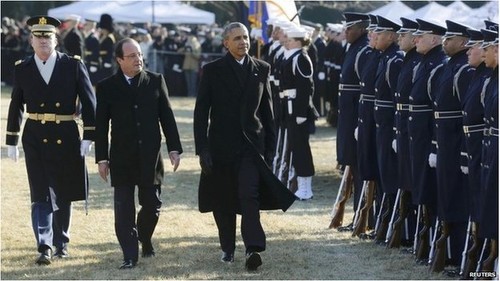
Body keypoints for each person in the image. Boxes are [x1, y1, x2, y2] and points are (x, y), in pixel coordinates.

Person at [193, 22, 296, 271]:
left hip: (252, 147)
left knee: (249, 195)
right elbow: (201, 113)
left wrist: (270, 151)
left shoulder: (261, 69)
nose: (243, 42)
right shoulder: (212, 70)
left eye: (246, 37)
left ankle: (253, 248)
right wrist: (203, 150)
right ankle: (227, 248)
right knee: (224, 200)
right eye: (237, 38)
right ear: (226, 43)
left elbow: (267, 113)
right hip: (221, 147)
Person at [5, 15, 96, 265]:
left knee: (64, 191)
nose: (43, 41)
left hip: (66, 134)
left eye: (48, 36)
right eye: (39, 37)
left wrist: (89, 135)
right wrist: (11, 139)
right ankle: (44, 246)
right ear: (31, 40)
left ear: (56, 40)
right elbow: (16, 105)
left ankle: (61, 243)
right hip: (35, 136)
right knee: (40, 192)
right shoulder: (23, 67)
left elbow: (90, 102)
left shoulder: (73, 65)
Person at [94, 38, 183, 269]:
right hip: (122, 157)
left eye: (140, 54)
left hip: (150, 157)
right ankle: (129, 255)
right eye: (132, 56)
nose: (138, 59)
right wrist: (102, 159)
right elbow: (101, 127)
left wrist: (174, 148)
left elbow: (168, 117)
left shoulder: (155, 81)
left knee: (152, 206)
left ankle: (144, 237)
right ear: (119, 60)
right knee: (124, 208)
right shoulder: (106, 87)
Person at [408, 19, 447, 263]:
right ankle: (422, 239)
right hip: (417, 136)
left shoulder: (437, 66)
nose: (415, 39)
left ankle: (431, 241)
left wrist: (433, 145)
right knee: (419, 189)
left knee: (429, 190)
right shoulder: (424, 63)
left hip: (427, 138)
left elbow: (437, 112)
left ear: (434, 39)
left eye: (420, 36)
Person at [279, 26, 316, 200]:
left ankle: (306, 188)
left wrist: (302, 112)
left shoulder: (301, 58)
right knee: (296, 146)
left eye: (291, 39)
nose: (288, 41)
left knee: (301, 148)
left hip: (297, 109)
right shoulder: (293, 57)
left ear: (298, 41)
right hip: (290, 107)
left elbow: (305, 87)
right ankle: (301, 186)